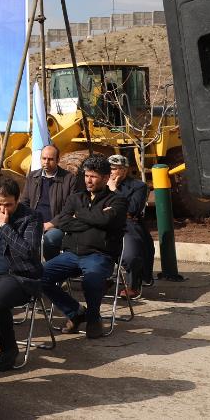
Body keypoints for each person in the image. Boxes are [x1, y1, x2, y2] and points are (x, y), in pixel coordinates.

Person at [40, 154, 128, 339]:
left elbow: (106, 220)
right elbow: (63, 222)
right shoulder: (75, 198)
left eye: (93, 176)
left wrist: (79, 216)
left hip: (100, 255)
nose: (88, 180)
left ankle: (94, 318)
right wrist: (94, 218)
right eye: (87, 175)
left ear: (105, 178)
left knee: (92, 278)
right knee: (39, 276)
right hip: (71, 254)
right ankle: (76, 312)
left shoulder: (117, 201)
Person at [0, 178, 43, 371]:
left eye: (9, 205)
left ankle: (9, 348)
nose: (3, 210)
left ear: (17, 200)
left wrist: (5, 226)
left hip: (19, 276)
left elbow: (28, 252)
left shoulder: (31, 218)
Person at [20, 144, 78, 260]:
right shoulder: (33, 177)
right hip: (33, 223)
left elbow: (71, 209)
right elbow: (24, 203)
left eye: (50, 159)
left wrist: (50, 224)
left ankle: (52, 272)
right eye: (44, 158)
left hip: (58, 226)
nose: (46, 162)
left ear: (58, 160)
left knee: (49, 241)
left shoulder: (69, 179)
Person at [108, 155, 152, 298]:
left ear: (124, 170)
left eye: (114, 169)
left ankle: (133, 285)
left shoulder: (139, 186)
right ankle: (101, 279)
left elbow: (132, 209)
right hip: (104, 222)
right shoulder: (100, 183)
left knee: (130, 254)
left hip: (128, 223)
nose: (110, 172)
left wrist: (114, 190)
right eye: (108, 168)